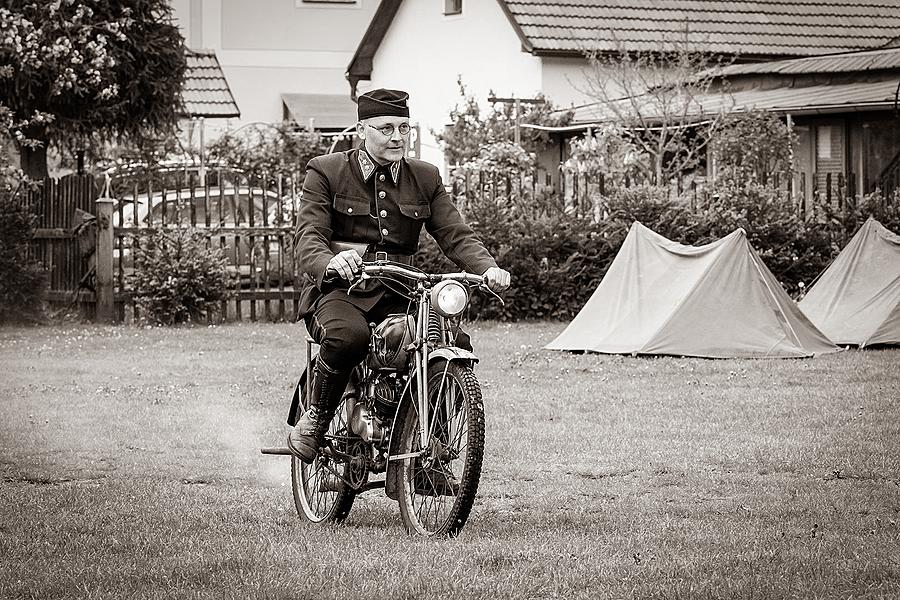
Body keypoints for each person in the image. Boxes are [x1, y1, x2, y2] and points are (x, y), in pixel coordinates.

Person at [287, 88, 511, 462]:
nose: (397, 137)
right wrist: (329, 263)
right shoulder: (326, 171)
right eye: (386, 128)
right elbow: (309, 236)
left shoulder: (424, 176)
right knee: (349, 337)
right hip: (343, 290)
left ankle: (430, 449)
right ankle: (316, 417)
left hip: (404, 290)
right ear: (362, 129)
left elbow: (455, 233)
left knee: (451, 341)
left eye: (404, 128)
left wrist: (487, 268)